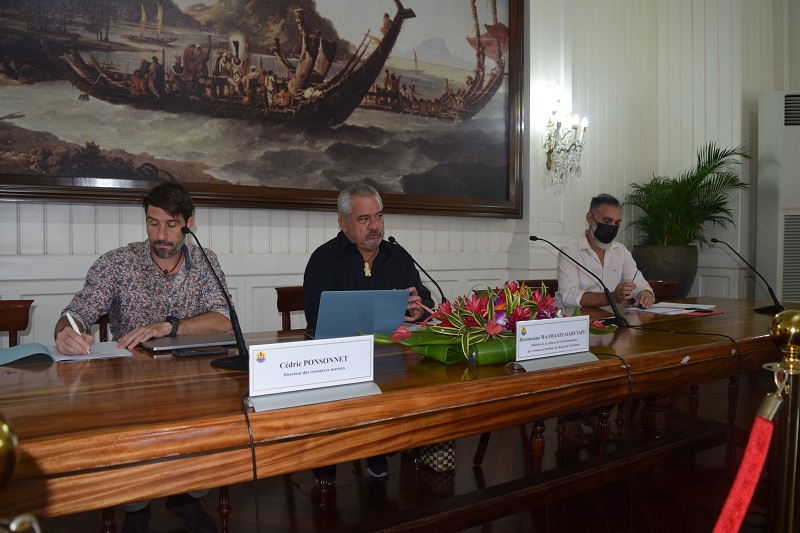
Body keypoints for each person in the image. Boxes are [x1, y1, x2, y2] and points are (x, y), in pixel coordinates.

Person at [54, 180, 228, 533]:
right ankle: (136, 506)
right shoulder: (119, 263)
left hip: (193, 383)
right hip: (133, 385)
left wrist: (169, 326)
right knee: (127, 429)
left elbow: (222, 320)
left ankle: (188, 497)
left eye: (171, 224)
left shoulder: (206, 262)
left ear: (189, 224)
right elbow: (76, 312)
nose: (161, 234)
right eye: (153, 222)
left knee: (211, 425)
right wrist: (66, 331)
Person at [303, 182, 434, 480]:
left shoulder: (397, 256)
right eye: (364, 219)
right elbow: (315, 315)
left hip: (387, 354)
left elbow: (425, 300)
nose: (374, 226)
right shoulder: (324, 259)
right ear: (343, 223)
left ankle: (378, 447)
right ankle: (329, 455)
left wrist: (416, 308)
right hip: (337, 355)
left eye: (379, 216)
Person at [554, 193, 655, 444]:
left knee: (617, 361)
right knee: (582, 366)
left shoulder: (620, 252)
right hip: (573, 328)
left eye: (617, 224)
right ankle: (569, 416)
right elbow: (568, 295)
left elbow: (639, 280)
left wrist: (645, 292)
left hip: (610, 327)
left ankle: (594, 411)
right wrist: (608, 296)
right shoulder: (570, 251)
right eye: (607, 221)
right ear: (590, 218)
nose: (612, 228)